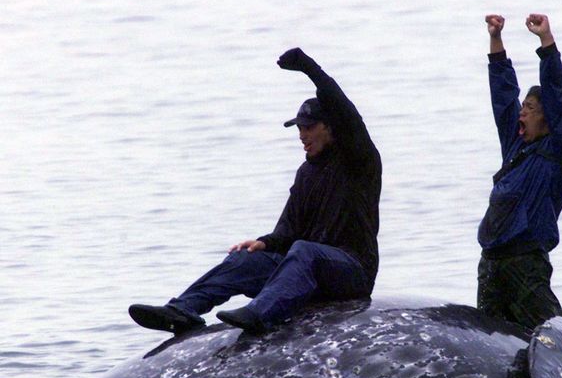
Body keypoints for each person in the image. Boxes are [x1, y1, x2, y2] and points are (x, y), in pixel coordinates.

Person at [129, 48, 381, 335]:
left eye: (309, 127)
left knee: (304, 252)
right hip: (311, 272)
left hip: (352, 273)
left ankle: (260, 313)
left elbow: (346, 111)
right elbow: (290, 231)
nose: (302, 135)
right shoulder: (306, 173)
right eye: (299, 128)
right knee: (245, 258)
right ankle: (183, 309)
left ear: (331, 128)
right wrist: (265, 243)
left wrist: (308, 67)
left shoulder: (358, 159)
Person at [477, 13, 562, 332]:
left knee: (551, 334)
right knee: (496, 342)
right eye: (523, 107)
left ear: (548, 120)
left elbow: (558, 97)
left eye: (531, 108)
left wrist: (546, 42)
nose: (521, 112)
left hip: (526, 263)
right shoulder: (516, 147)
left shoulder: (561, 151)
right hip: (491, 264)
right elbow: (502, 97)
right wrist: (495, 40)